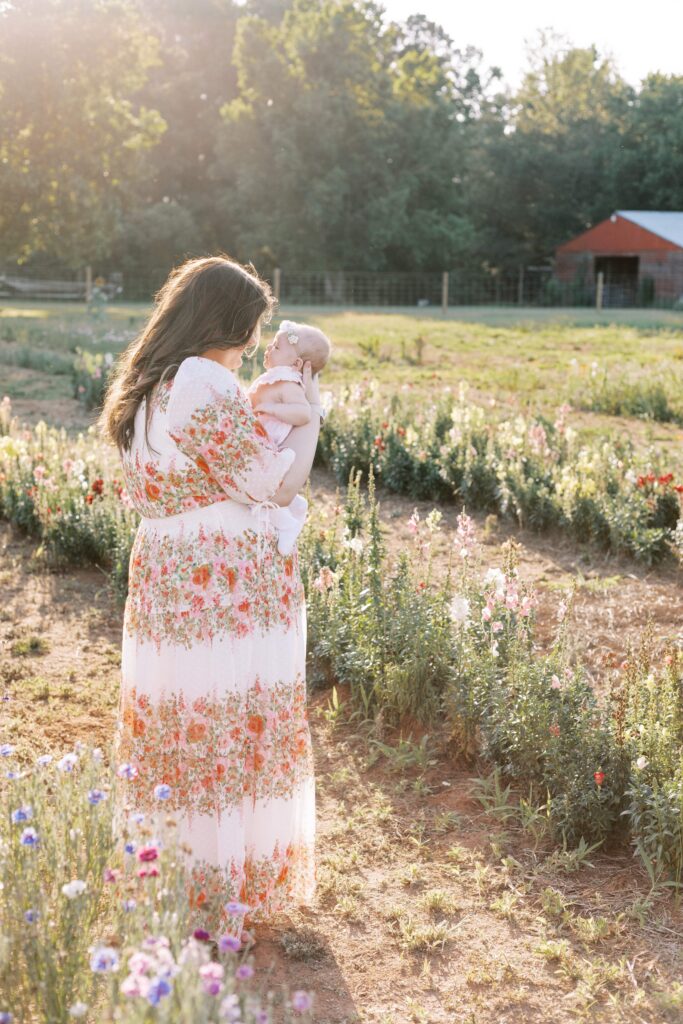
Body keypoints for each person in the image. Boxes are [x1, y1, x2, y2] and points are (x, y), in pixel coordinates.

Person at [98, 254, 323, 943]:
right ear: (226, 322)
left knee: (180, 718)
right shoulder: (204, 379)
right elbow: (274, 485)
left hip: (171, 570)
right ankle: (221, 882)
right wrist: (310, 419)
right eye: (252, 327)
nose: (255, 343)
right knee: (229, 716)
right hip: (222, 578)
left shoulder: (152, 382)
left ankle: (173, 871)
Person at [246, 319, 331, 555]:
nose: (268, 349)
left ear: (295, 363)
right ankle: (292, 509)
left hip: (277, 445)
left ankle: (287, 525)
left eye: (276, 347)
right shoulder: (273, 378)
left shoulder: (288, 382)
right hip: (266, 442)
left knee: (268, 488)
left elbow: (303, 413)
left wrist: (272, 409)